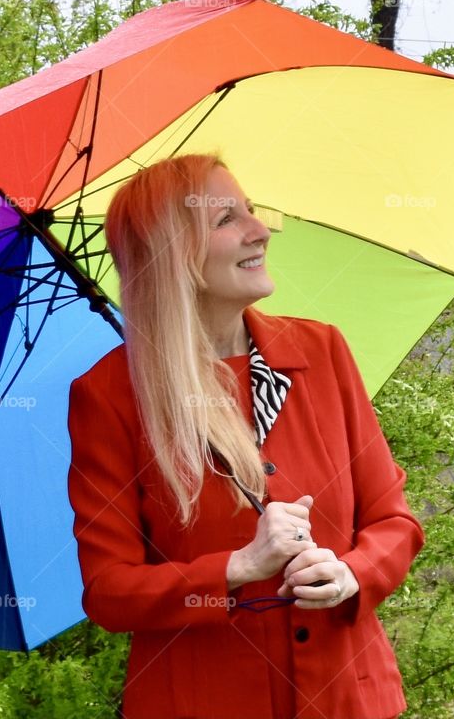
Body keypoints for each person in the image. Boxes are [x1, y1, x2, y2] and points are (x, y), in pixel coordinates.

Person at [67, 154, 424, 719]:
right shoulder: (110, 395)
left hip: (346, 697)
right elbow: (109, 591)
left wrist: (352, 574)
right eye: (226, 219)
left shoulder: (322, 353)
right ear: (172, 257)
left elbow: (393, 520)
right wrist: (238, 566)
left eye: (251, 210)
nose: (260, 230)